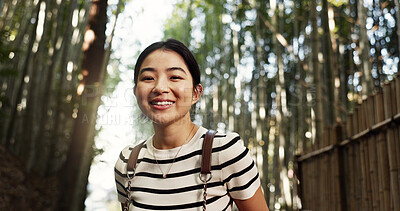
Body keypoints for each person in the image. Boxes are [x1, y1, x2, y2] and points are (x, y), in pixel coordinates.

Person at [114, 39, 269, 211]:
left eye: (175, 77)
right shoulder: (128, 162)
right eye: (148, 78)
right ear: (136, 92)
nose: (159, 87)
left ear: (196, 93)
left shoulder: (224, 152)